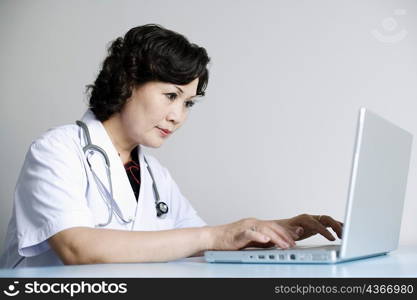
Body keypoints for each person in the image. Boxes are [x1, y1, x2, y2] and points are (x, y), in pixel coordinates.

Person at [0, 24, 342, 268]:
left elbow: (199, 244)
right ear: (127, 82)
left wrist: (275, 230)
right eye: (171, 96)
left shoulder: (152, 174)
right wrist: (215, 236)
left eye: (188, 103)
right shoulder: (57, 150)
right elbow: (78, 248)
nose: (178, 116)